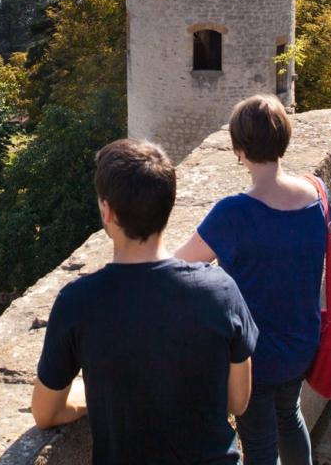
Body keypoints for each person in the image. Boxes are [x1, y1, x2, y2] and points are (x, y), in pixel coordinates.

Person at [32, 137, 258, 465]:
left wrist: (87, 400)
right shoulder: (220, 291)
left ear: (107, 211)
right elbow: (238, 400)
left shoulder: (78, 302)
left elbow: (44, 413)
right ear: (169, 205)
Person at [175, 95, 329, 465]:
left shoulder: (234, 213)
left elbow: (177, 265)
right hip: (302, 342)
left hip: (253, 357)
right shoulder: (318, 194)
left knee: (259, 445)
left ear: (238, 148)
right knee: (290, 418)